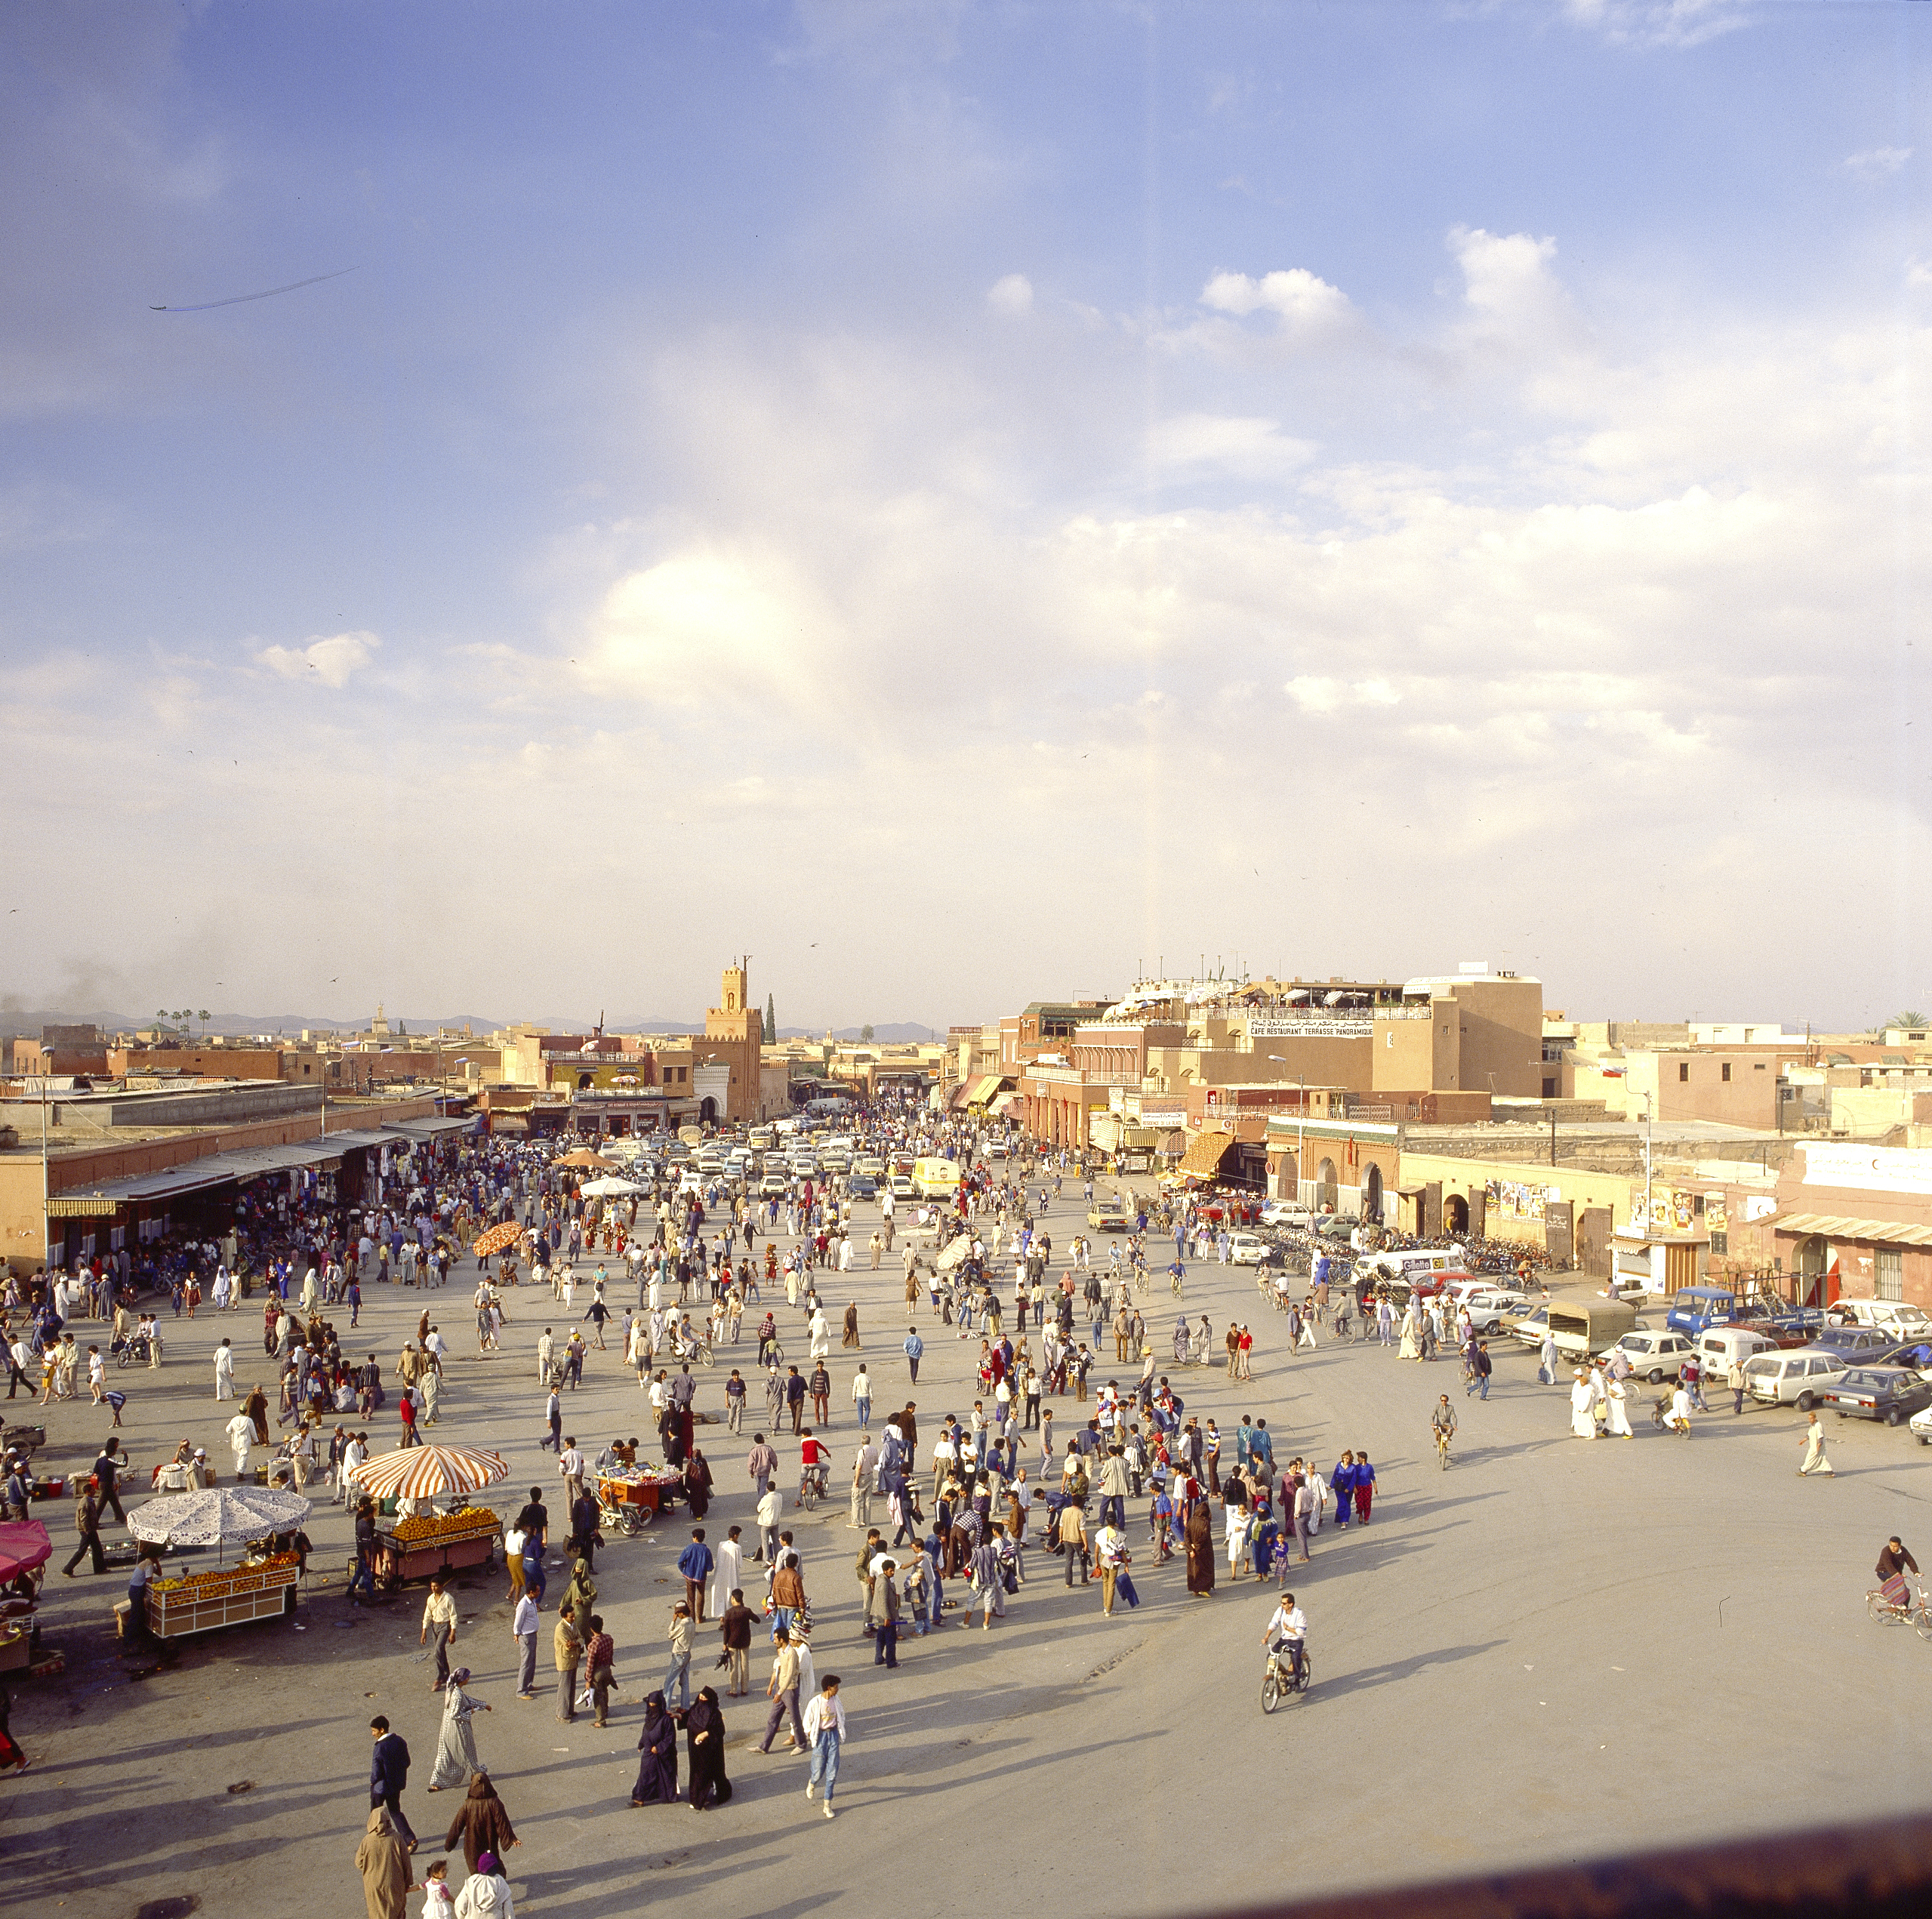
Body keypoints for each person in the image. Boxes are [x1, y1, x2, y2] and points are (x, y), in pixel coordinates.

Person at [440, 1772, 518, 1876]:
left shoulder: (468, 1804)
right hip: (490, 1838)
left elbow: (457, 1824)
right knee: (492, 1858)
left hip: (473, 1839)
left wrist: (450, 1843)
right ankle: (499, 1878)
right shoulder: (494, 1802)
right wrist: (511, 1838)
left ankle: (478, 1883)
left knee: (474, 1862)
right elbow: (502, 1822)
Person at [427, 1671, 491, 1791]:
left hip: (448, 1728)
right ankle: (475, 1773)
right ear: (462, 1680)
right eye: (467, 1677)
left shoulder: (455, 1691)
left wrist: (484, 1706)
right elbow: (454, 1714)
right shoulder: (457, 1694)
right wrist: (470, 1712)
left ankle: (473, 1774)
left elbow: (467, 1701)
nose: (469, 1679)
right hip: (458, 1729)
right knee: (467, 1750)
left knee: (447, 1753)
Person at [356, 1807, 414, 1919]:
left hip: (373, 1885)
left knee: (377, 1913)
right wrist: (407, 1882)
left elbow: (359, 1862)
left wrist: (371, 1869)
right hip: (394, 1883)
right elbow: (406, 1863)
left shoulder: (367, 1841)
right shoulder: (396, 1838)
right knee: (397, 1912)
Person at [370, 1715, 418, 1851]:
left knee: (375, 1813)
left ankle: (376, 1842)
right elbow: (407, 1762)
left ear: (382, 1730)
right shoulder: (399, 1741)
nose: (373, 1734)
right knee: (395, 1812)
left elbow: (376, 1771)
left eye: (374, 1731)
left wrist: (372, 1782)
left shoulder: (379, 1748)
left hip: (380, 1787)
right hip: (395, 1785)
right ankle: (410, 1839)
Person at [803, 1674, 846, 1819]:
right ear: (829, 1688)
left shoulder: (836, 1700)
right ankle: (812, 1783)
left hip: (833, 1736)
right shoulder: (815, 1703)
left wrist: (840, 1731)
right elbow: (807, 1722)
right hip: (821, 1738)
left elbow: (841, 1715)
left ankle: (827, 1805)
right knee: (819, 1770)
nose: (838, 1690)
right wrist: (811, 1736)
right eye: (836, 1687)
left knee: (832, 1772)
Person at [686, 1685, 733, 1810]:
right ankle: (698, 1799)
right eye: (701, 1696)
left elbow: (720, 1730)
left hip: (711, 1750)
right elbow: (688, 1719)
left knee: (709, 1772)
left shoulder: (715, 1714)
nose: (701, 1698)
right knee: (697, 1774)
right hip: (696, 1750)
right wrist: (678, 1716)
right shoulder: (695, 1709)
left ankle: (707, 1797)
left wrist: (705, 1734)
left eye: (704, 1697)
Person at [631, 1691, 679, 1805]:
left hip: (663, 1754)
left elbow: (670, 1738)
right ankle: (639, 1797)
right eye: (650, 1705)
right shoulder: (649, 1717)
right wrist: (641, 1743)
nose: (652, 1708)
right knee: (646, 1774)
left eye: (654, 1705)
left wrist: (659, 1748)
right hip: (649, 1751)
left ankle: (668, 1796)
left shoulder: (666, 1719)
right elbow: (646, 1731)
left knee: (665, 1775)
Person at [1263, 1589, 1307, 1685]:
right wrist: (1266, 1637)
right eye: (1281, 1603)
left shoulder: (1299, 1614)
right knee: (1271, 1657)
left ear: (1290, 1604)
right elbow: (1274, 1623)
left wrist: (1288, 1628)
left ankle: (1297, 1678)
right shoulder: (1280, 1610)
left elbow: (1301, 1631)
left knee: (1295, 1658)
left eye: (1284, 1603)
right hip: (1284, 1640)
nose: (1282, 1605)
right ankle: (1282, 1674)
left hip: (1296, 1641)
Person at [421, 1578, 458, 1690]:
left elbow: (453, 1616)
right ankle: (447, 1674)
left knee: (437, 1651)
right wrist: (424, 1632)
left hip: (445, 1626)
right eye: (432, 1586)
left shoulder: (448, 1599)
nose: (433, 1588)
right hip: (434, 1626)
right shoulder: (430, 1599)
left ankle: (439, 1677)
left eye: (436, 1586)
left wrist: (453, 1633)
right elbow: (427, 1615)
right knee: (441, 1651)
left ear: (441, 1586)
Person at [451, 1853, 513, 1919]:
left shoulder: (472, 1881)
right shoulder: (500, 1881)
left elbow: (460, 1904)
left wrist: (462, 1917)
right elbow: (508, 1909)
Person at [553, 1605, 584, 1724]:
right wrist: (577, 1643)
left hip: (573, 1659)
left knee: (572, 1686)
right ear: (564, 1617)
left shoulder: (573, 1625)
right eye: (571, 1617)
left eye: (574, 1615)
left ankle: (570, 1710)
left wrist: (576, 1642)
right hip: (565, 1661)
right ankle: (561, 1714)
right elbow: (568, 1645)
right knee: (564, 1688)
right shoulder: (560, 1628)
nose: (574, 1618)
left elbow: (581, 1638)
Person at [1184, 1499, 1215, 1598]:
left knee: (1193, 1569)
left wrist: (1190, 1548)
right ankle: (1204, 1588)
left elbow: (1186, 1534)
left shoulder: (1192, 1520)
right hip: (1204, 1550)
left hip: (1193, 1549)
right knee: (1205, 1568)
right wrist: (1197, 1546)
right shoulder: (1205, 1522)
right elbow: (1204, 1537)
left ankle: (1195, 1589)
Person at [1798, 1410, 1833, 1476]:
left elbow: (1821, 1437)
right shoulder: (1812, 1426)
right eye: (1809, 1419)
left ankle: (1803, 1471)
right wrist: (1803, 1441)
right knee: (1822, 1459)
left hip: (1817, 1447)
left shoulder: (1818, 1426)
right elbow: (1809, 1435)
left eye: (1811, 1419)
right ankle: (1830, 1473)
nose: (1810, 1420)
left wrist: (1818, 1447)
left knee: (1810, 1458)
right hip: (1813, 1446)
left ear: (1815, 1418)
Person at [1569, 1371, 1597, 1440]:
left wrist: (1582, 1408)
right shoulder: (1586, 1388)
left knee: (1590, 1421)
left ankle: (1593, 1435)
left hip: (1587, 1409)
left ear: (1583, 1382)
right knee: (1581, 1421)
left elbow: (1587, 1400)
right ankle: (1580, 1433)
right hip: (1582, 1408)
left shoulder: (1588, 1389)